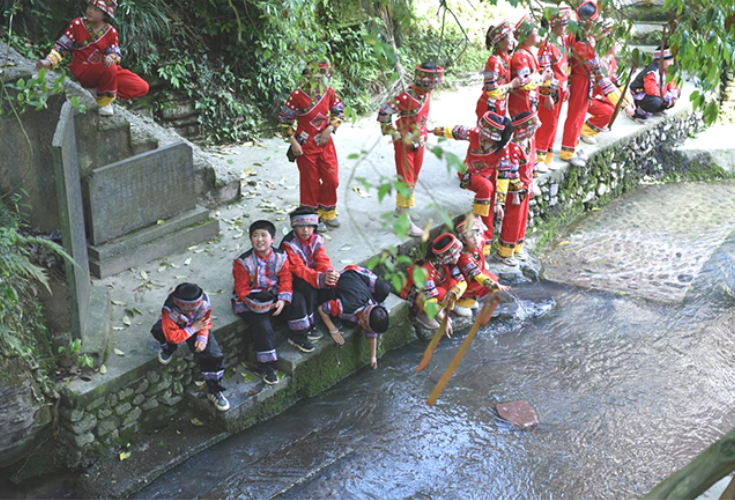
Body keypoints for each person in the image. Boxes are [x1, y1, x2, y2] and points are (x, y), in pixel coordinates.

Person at [433, 111, 526, 254]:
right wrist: (435, 130)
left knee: (489, 195)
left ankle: (485, 246)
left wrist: (499, 203)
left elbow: (503, 177)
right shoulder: (475, 134)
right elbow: (457, 131)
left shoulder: (503, 151)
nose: (481, 134)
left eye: (486, 133)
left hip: (488, 177)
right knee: (486, 187)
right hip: (468, 174)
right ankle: (477, 217)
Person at [36, 0, 149, 116]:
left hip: (105, 70)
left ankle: (97, 92)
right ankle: (103, 102)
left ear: (105, 14)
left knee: (141, 86)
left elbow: (114, 51)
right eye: (90, 6)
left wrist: (111, 57)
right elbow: (62, 46)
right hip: (85, 70)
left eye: (96, 9)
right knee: (110, 69)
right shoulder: (77, 24)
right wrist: (49, 61)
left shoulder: (111, 31)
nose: (90, 10)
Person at [378, 62, 444, 236]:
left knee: (412, 179)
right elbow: (383, 113)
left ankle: (401, 209)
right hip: (405, 144)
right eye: (432, 82)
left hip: (420, 142)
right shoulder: (406, 97)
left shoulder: (426, 96)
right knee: (406, 180)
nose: (434, 86)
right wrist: (393, 132)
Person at [279, 60, 345, 232]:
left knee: (332, 179)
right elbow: (285, 121)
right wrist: (293, 142)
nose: (319, 83)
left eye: (323, 77)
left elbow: (339, 111)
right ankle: (311, 216)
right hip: (305, 146)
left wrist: (330, 128)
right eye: (315, 78)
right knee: (311, 183)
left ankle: (327, 211)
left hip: (325, 143)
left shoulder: (329, 93)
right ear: (307, 77)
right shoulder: (297, 96)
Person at [150, 283, 229, 412]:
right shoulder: (170, 310)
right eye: (188, 310)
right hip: (181, 327)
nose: (192, 311)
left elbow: (206, 320)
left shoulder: (204, 304)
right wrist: (192, 329)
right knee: (159, 331)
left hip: (197, 326)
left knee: (213, 355)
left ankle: (214, 390)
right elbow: (172, 336)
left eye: (194, 309)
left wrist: (202, 337)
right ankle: (169, 349)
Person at [232, 220, 293, 385]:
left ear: (272, 239)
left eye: (263, 235)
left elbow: (286, 279)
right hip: (252, 301)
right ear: (250, 239)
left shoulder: (281, 257)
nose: (259, 239)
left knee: (297, 299)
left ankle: (299, 334)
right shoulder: (242, 262)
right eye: (255, 236)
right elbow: (242, 290)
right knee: (262, 324)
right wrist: (261, 306)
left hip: (273, 296)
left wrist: (282, 300)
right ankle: (267, 366)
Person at [559, 0, 614, 167]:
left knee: (580, 114)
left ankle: (574, 145)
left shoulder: (582, 37)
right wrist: (617, 98)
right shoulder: (581, 42)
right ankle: (567, 150)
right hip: (579, 79)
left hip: (584, 79)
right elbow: (596, 68)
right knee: (575, 116)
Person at [280, 206, 339, 350]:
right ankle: (309, 326)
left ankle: (330, 315)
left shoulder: (317, 239)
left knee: (331, 281)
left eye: (309, 226)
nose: (305, 230)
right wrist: (319, 278)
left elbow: (321, 259)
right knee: (308, 289)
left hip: (310, 273)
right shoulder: (288, 245)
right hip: (293, 278)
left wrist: (328, 273)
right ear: (295, 227)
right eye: (301, 226)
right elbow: (297, 268)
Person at [317, 265, 391, 369]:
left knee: (352, 323)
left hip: (354, 282)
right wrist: (333, 330)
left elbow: (371, 333)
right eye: (367, 328)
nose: (369, 332)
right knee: (350, 324)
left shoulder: (371, 305)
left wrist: (373, 356)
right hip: (340, 279)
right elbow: (322, 309)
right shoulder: (345, 307)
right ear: (363, 320)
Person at [400, 233, 468, 331]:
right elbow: (429, 298)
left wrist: (454, 293)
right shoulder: (427, 270)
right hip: (421, 296)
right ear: (447, 258)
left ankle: (444, 308)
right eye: (456, 254)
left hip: (435, 288)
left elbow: (462, 282)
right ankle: (422, 314)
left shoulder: (450, 264)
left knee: (453, 284)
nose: (459, 255)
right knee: (441, 293)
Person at [498, 111, 541, 265]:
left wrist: (533, 182)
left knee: (522, 220)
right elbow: (513, 172)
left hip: (526, 187)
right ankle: (505, 251)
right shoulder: (513, 148)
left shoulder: (530, 142)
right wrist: (516, 193)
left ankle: (518, 246)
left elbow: (533, 162)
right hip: (516, 190)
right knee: (513, 220)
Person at [580, 28, 635, 143]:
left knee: (614, 107)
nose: (619, 45)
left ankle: (600, 123)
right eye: (616, 42)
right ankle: (587, 131)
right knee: (609, 111)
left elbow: (618, 81)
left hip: (598, 95)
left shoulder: (611, 59)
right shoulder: (598, 62)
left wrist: (629, 99)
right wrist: (625, 106)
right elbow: (607, 87)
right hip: (586, 95)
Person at [536, 6, 572, 171]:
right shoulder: (546, 44)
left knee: (554, 123)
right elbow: (544, 70)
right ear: (553, 25)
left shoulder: (563, 41)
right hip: (551, 90)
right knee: (546, 123)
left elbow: (566, 65)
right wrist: (547, 95)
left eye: (565, 23)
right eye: (562, 24)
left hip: (562, 88)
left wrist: (568, 85)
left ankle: (548, 155)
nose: (565, 27)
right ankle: (538, 157)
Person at [454, 217, 508, 313]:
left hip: (477, 271)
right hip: (467, 279)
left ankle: (471, 299)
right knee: (487, 281)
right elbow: (476, 275)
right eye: (471, 237)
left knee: (492, 277)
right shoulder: (463, 257)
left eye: (478, 234)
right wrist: (491, 283)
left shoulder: (480, 243)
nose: (476, 239)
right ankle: (461, 302)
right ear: (464, 241)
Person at [476, 20, 521, 121]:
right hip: (489, 107)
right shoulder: (493, 62)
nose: (512, 41)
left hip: (499, 105)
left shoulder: (506, 59)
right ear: (500, 41)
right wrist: (511, 85)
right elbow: (491, 90)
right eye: (510, 38)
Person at [629, 45, 681, 123]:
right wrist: (666, 94)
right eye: (669, 61)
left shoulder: (667, 70)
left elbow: (671, 83)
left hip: (658, 94)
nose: (672, 63)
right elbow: (651, 90)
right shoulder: (651, 72)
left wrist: (673, 95)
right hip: (643, 94)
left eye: (672, 60)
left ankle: (657, 110)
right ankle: (640, 112)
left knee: (677, 93)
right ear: (659, 61)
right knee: (655, 101)